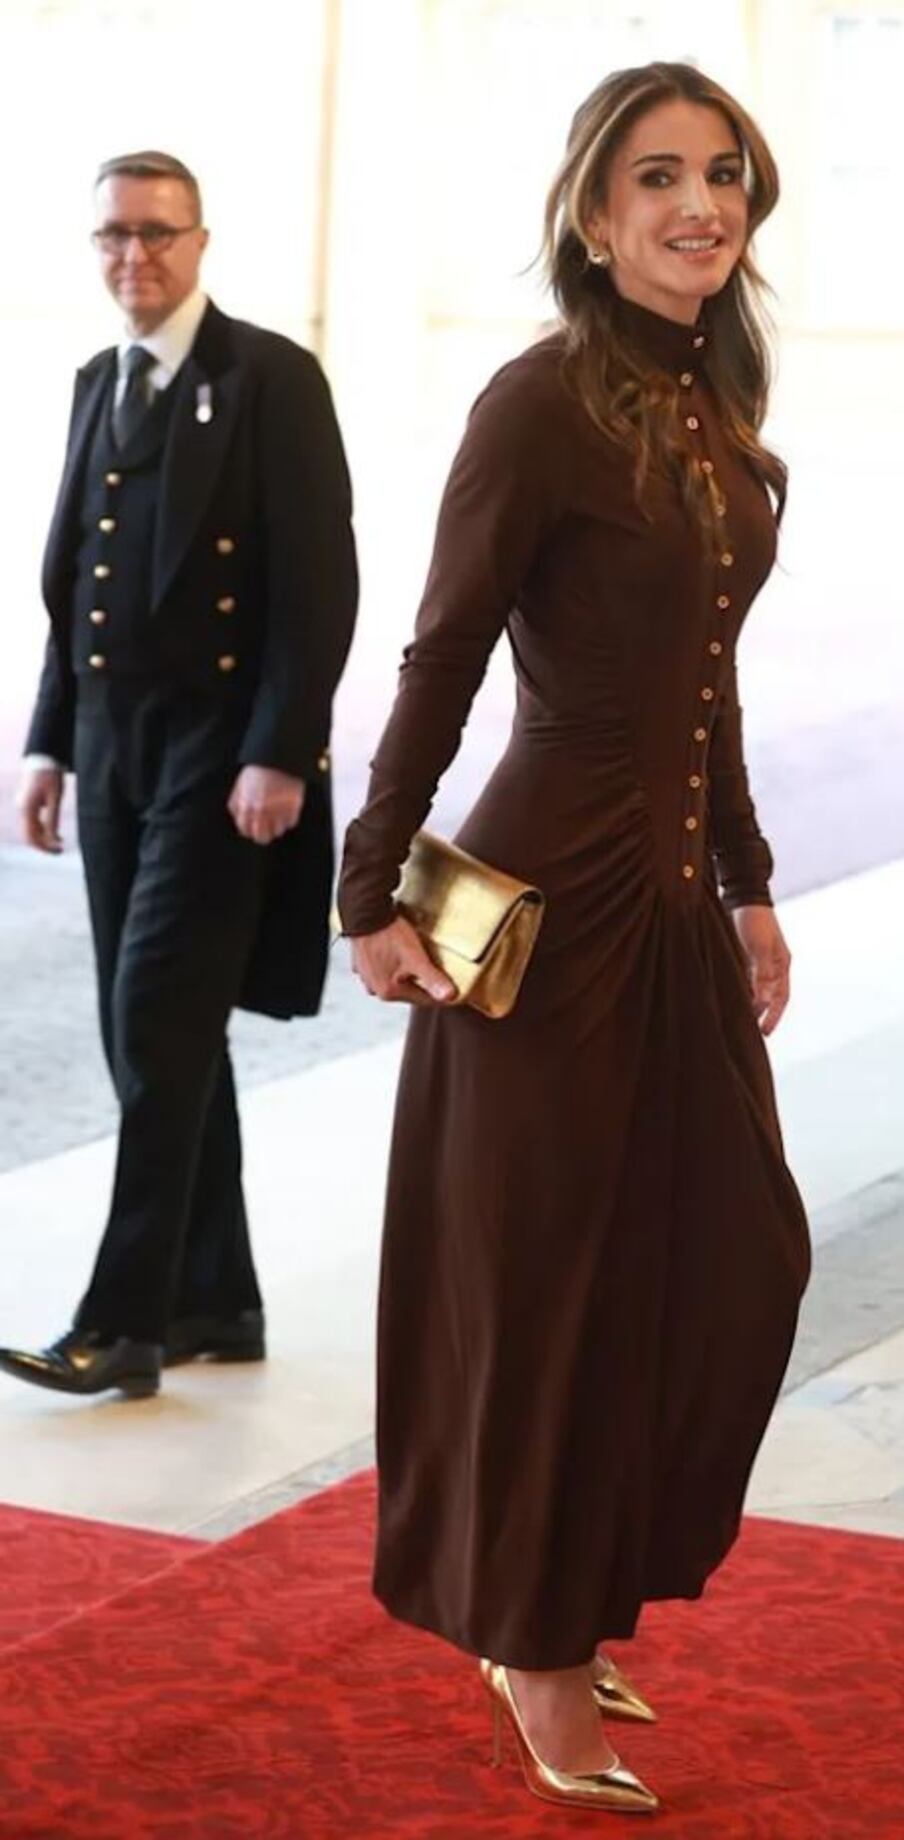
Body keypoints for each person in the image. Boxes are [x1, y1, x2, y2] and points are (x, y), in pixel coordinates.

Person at [337, 63, 811, 1816]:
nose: (702, 206)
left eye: (726, 178)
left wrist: (749, 882)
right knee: (541, 1289)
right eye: (661, 178)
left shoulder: (710, 404)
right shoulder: (541, 404)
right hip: (545, 918)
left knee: (719, 1259)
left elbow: (713, 684)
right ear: (594, 214)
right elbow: (443, 653)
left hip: (673, 908)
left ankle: (570, 1582)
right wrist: (369, 892)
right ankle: (529, 1635)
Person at [0, 151, 357, 1400]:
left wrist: (280, 748)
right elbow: (74, 592)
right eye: (111, 236)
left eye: (155, 234)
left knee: (158, 1022)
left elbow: (320, 588)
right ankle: (218, 1298)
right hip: (111, 749)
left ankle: (126, 1320)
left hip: (220, 761)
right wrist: (48, 740)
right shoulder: (99, 381)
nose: (132, 257)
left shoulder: (269, 379)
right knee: (148, 1030)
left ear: (200, 240)